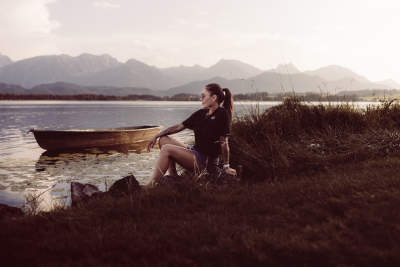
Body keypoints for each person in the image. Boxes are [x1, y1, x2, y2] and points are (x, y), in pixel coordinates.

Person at [143, 83, 237, 188]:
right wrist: (157, 135)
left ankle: (149, 186)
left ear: (214, 97)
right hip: (195, 152)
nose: (201, 99)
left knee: (166, 149)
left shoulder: (222, 114)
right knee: (163, 140)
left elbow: (224, 142)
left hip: (205, 161)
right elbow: (179, 127)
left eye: (203, 96)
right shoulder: (201, 114)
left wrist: (227, 166)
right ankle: (173, 176)